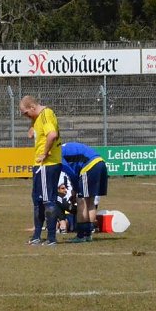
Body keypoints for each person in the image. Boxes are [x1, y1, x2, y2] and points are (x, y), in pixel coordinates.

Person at [20, 95, 62, 247]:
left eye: (26, 113)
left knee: (47, 200)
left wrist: (45, 153)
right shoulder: (38, 117)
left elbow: (52, 134)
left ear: (32, 107)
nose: (25, 116)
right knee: (38, 200)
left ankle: (51, 238)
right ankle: (37, 236)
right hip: (42, 165)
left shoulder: (45, 114)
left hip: (47, 164)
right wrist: (32, 125)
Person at [61, 141, 109, 242]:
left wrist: (75, 190)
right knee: (90, 201)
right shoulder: (64, 148)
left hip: (89, 166)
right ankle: (88, 234)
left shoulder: (57, 154)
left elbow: (71, 173)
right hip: (100, 162)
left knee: (81, 201)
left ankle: (81, 235)